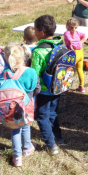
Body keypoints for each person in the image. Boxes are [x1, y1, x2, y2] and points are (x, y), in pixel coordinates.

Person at [0, 43, 40, 166]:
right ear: (23, 56)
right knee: (26, 125)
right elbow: (37, 89)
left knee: (15, 129)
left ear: (6, 58)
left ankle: (17, 156)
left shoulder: (3, 75)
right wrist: (30, 97)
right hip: (26, 106)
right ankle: (27, 147)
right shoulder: (30, 72)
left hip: (10, 107)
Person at [31, 14, 64, 155]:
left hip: (44, 90)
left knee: (42, 116)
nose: (34, 32)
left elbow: (35, 73)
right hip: (57, 88)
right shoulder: (60, 45)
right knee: (52, 112)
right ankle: (58, 136)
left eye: (35, 30)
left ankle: (51, 145)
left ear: (42, 32)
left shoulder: (39, 51)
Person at [64, 17, 88, 92]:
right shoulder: (77, 32)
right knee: (80, 70)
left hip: (73, 53)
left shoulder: (66, 33)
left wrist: (71, 45)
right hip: (80, 53)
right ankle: (82, 86)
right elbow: (85, 35)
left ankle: (65, 88)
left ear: (66, 25)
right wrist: (81, 42)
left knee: (68, 70)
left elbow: (69, 40)